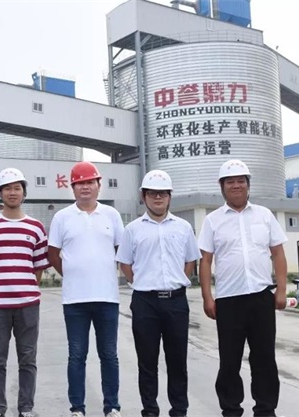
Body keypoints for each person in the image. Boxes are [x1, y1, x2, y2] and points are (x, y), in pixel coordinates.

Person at [198, 159, 288, 417]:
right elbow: (206, 261)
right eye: (230, 182)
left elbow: (278, 253)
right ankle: (231, 409)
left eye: (240, 181)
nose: (236, 185)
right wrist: (207, 297)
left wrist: (281, 290)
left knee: (264, 358)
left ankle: (266, 410)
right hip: (229, 301)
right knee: (229, 360)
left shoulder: (264, 215)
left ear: (248, 185)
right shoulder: (212, 221)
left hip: (261, 298)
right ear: (222, 187)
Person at [115, 170, 200, 417]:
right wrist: (142, 282)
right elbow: (125, 264)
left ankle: (179, 410)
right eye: (152, 193)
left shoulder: (183, 227)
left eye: (163, 193)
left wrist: (175, 281)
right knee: (147, 362)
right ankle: (150, 410)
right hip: (145, 303)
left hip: (176, 301)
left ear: (170, 196)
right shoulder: (133, 229)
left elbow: (190, 261)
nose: (158, 198)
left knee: (177, 361)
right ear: (144, 197)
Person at [47, 161, 125, 417]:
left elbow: (121, 250)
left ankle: (112, 406)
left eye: (90, 182)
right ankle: (77, 408)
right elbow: (53, 254)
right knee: (77, 355)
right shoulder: (62, 217)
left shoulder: (111, 215)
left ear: (98, 185)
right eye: (80, 183)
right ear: (73, 188)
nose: (85, 187)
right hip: (75, 300)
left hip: (107, 298)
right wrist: (71, 273)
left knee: (109, 355)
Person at [0, 168, 50, 417]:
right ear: (0, 193)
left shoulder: (36, 227)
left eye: (17, 188)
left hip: (28, 304)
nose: (13, 192)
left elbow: (38, 267)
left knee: (28, 358)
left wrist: (24, 288)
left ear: (24, 193)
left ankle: (26, 408)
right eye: (8, 188)